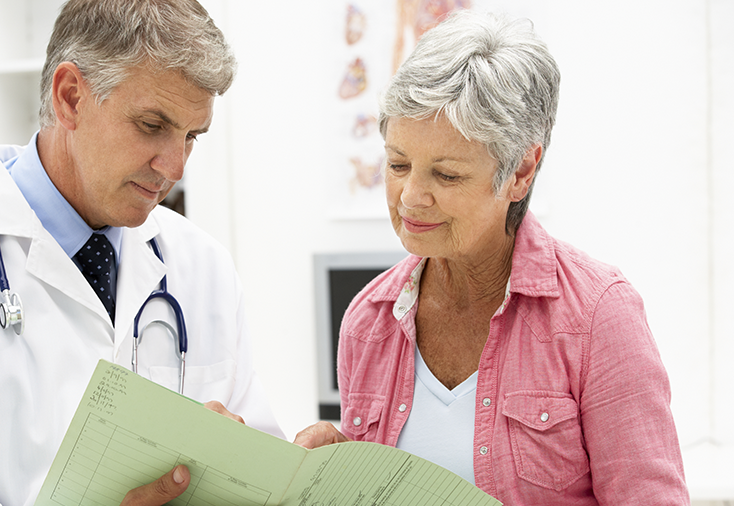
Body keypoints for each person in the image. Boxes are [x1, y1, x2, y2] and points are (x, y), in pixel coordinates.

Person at [0, 1, 282, 504]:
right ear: (70, 98)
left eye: (191, 136)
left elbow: (255, 451)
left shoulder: (203, 266)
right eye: (153, 125)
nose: (174, 167)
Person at [294, 10, 689, 505]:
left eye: (447, 175)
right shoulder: (368, 321)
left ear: (521, 171)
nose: (410, 197)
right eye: (397, 164)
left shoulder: (598, 316)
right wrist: (336, 473)